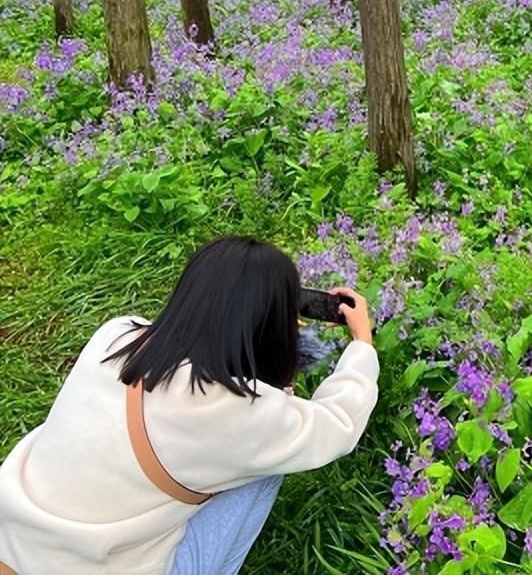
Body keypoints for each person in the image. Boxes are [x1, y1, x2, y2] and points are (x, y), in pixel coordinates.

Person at [0, 236, 379, 574]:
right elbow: (336, 424)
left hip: (13, 544)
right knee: (265, 470)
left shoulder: (115, 334)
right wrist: (362, 342)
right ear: (265, 327)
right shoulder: (237, 411)